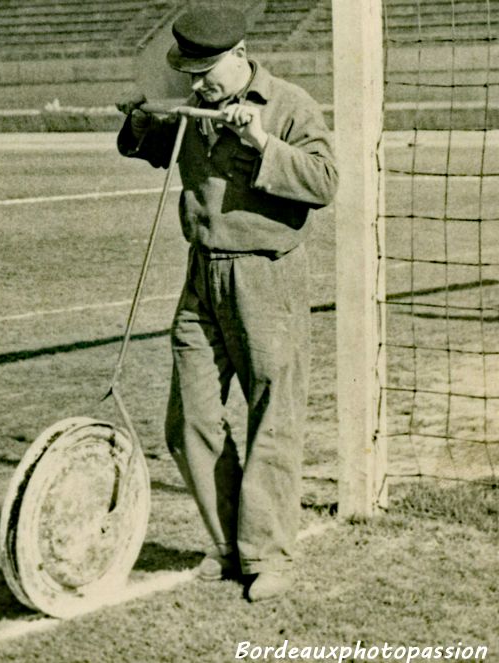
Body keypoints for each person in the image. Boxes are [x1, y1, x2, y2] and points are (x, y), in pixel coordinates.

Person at [117, 6, 338, 601]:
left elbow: (324, 182)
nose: (197, 86)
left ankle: (266, 555)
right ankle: (228, 545)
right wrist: (139, 121)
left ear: (239, 56)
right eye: (189, 75)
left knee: (272, 417)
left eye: (207, 73)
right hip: (201, 276)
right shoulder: (197, 106)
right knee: (187, 422)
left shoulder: (291, 105)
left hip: (267, 278)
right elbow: (152, 146)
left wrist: (260, 141)